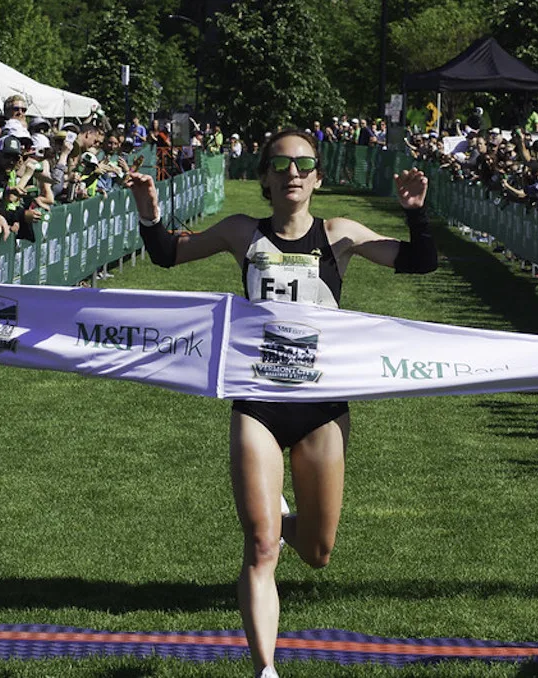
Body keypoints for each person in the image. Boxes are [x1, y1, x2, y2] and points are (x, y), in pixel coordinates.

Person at [125, 129, 437, 678]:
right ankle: (265, 669)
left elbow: (421, 263)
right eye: (282, 164)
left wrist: (415, 213)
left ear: (317, 177)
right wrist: (150, 215)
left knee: (317, 552)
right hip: (258, 403)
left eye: (305, 164)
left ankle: (284, 515)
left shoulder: (340, 235)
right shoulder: (242, 234)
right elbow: (167, 255)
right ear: (266, 177)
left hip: (321, 408)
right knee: (262, 545)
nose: (293, 172)